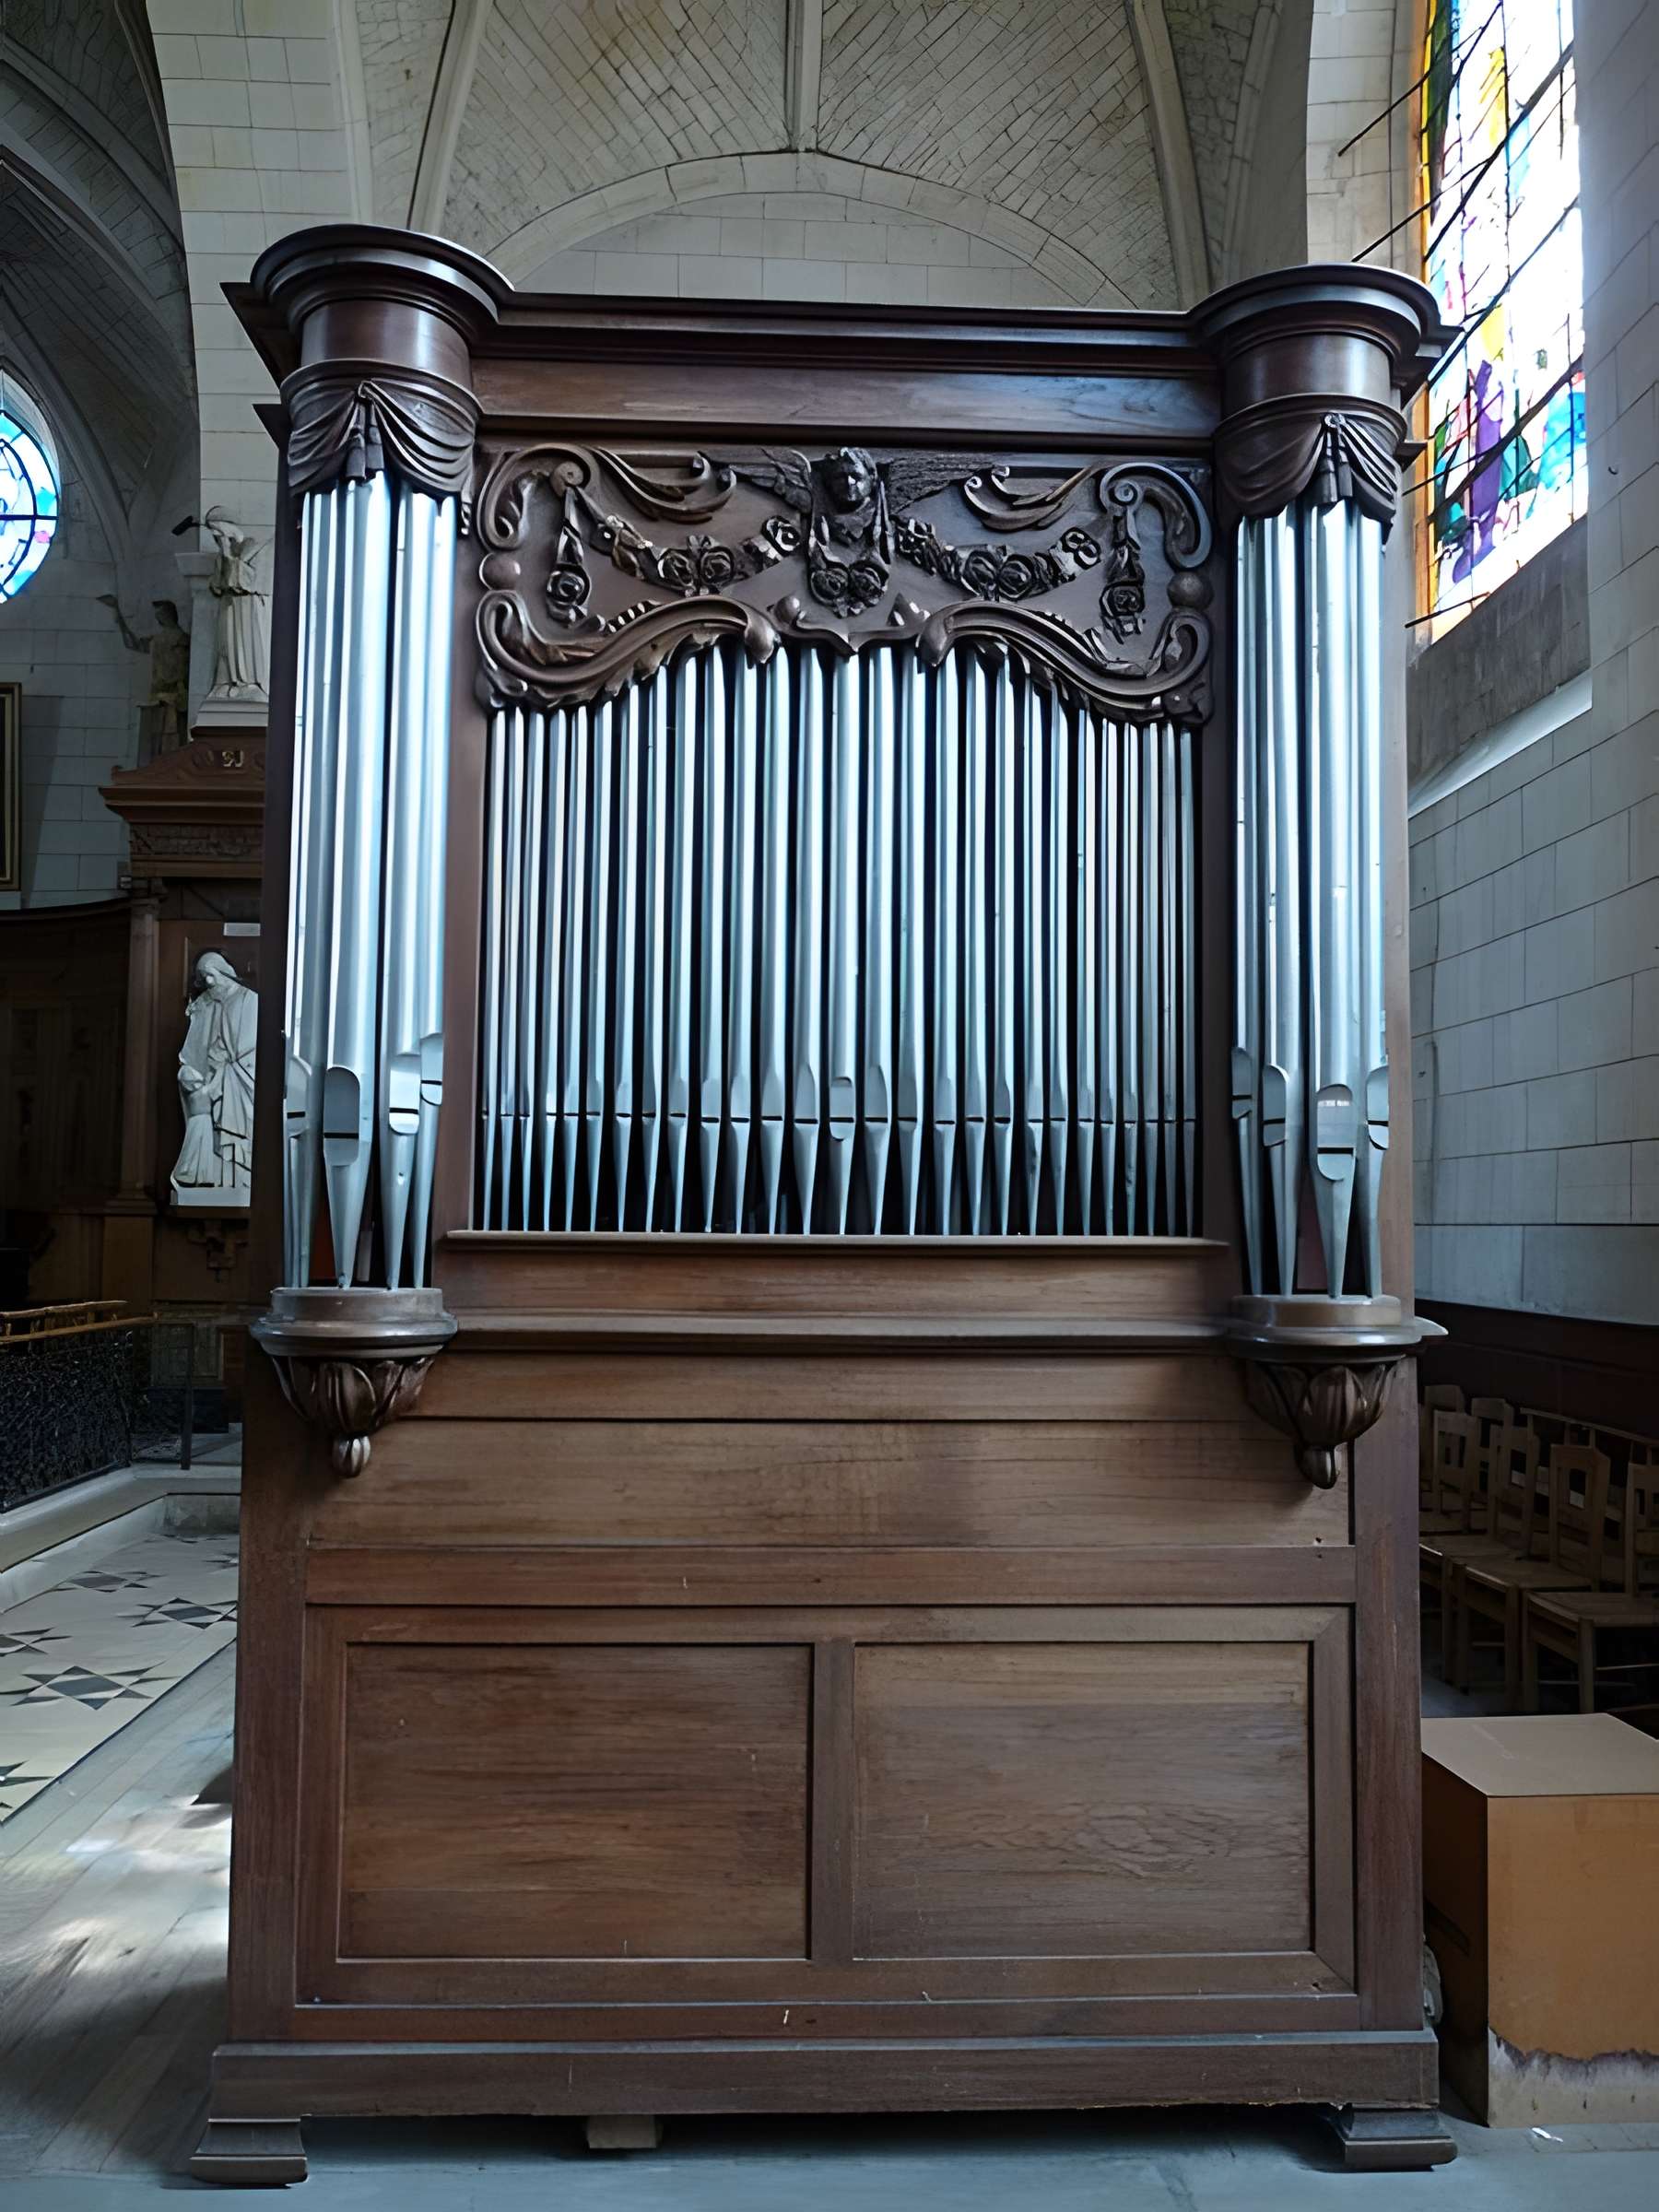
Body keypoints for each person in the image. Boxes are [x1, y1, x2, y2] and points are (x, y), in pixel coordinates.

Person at [171, 951, 258, 1201]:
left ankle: (238, 1179)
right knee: (203, 1107)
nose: (209, 982)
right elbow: (193, 1052)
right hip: (217, 1080)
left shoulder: (249, 1000)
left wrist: (221, 1074)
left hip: (240, 1079)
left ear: (224, 971)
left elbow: (248, 1048)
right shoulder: (207, 1004)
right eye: (204, 977)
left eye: (211, 975)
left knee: (234, 1124)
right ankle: (210, 1175)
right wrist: (194, 1074)